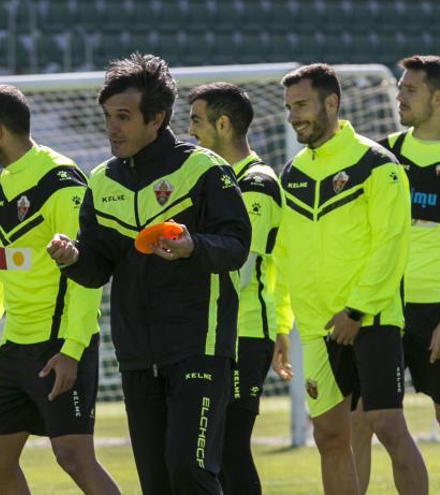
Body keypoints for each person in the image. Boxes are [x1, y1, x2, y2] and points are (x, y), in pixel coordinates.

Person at [47, 53, 251, 494]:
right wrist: (72, 258)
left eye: (123, 117)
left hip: (199, 345)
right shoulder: (101, 182)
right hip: (137, 355)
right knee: (157, 482)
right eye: (107, 117)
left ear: (156, 118)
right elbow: (98, 267)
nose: (112, 128)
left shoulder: (203, 170)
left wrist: (193, 246)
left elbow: (237, 246)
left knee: (189, 469)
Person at [0, 84, 120, 495]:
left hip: (59, 344)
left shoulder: (62, 181)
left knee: (74, 458)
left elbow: (85, 270)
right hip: (15, 346)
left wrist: (72, 349)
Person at [271, 63, 427, 494]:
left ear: (331, 102)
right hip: (318, 328)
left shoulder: (377, 164)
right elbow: (283, 254)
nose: (293, 116)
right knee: (330, 437)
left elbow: (390, 245)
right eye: (288, 107)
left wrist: (355, 309)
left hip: (370, 318)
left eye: (301, 105)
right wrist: (282, 323)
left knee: (388, 427)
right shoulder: (292, 174)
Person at [187, 82, 282, 495]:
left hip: (243, 333)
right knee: (211, 450)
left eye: (195, 120)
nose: (188, 130)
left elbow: (239, 267)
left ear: (222, 124)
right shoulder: (217, 180)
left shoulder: (256, 184)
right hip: (215, 330)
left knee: (230, 449)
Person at [351, 54, 440, 494]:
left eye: (410, 90)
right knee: (360, 421)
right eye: (399, 87)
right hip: (386, 310)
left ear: (438, 98)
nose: (399, 96)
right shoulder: (381, 157)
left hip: (437, 312)